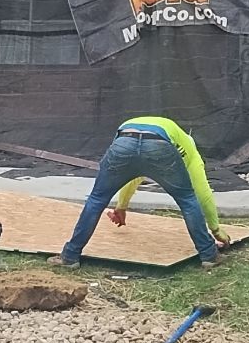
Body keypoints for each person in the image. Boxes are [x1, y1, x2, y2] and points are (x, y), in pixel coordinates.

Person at [52, 115, 228, 268]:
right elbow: (202, 194)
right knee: (188, 199)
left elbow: (133, 173)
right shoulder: (190, 150)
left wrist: (121, 207)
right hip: (159, 143)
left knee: (96, 199)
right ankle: (208, 255)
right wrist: (215, 229)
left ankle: (70, 257)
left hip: (125, 138)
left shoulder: (154, 124)